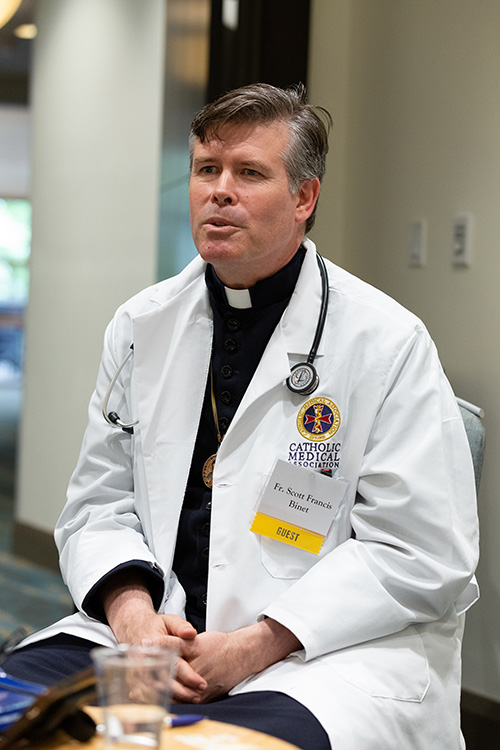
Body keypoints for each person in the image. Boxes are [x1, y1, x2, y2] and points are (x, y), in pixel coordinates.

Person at [4, 83, 479, 750]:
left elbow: (423, 553)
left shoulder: (387, 342)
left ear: (304, 198)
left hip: (316, 659)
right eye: (207, 170)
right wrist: (136, 619)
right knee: (23, 719)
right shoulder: (142, 326)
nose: (219, 191)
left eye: (249, 173)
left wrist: (260, 642)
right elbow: (96, 507)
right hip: (153, 643)